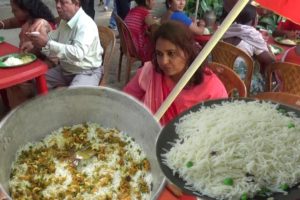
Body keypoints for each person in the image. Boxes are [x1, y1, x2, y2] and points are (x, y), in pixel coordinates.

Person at [123, 21, 228, 125]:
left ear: (187, 51)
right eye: (159, 54)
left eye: (171, 53)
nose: (164, 61)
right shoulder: (150, 73)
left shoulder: (211, 88)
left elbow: (219, 127)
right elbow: (124, 102)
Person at [28, 0, 103, 89]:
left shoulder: (86, 24)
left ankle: (64, 91)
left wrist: (46, 43)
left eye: (63, 2)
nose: (58, 6)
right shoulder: (65, 21)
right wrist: (37, 41)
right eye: (56, 2)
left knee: (73, 98)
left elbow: (78, 54)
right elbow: (52, 39)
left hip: (87, 72)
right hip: (66, 70)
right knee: (36, 81)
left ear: (76, 4)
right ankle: (61, 90)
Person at [223, 4, 275, 94]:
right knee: (270, 78)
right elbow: (269, 61)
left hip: (222, 80)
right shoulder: (253, 36)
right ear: (254, 21)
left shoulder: (225, 30)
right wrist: (268, 49)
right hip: (242, 86)